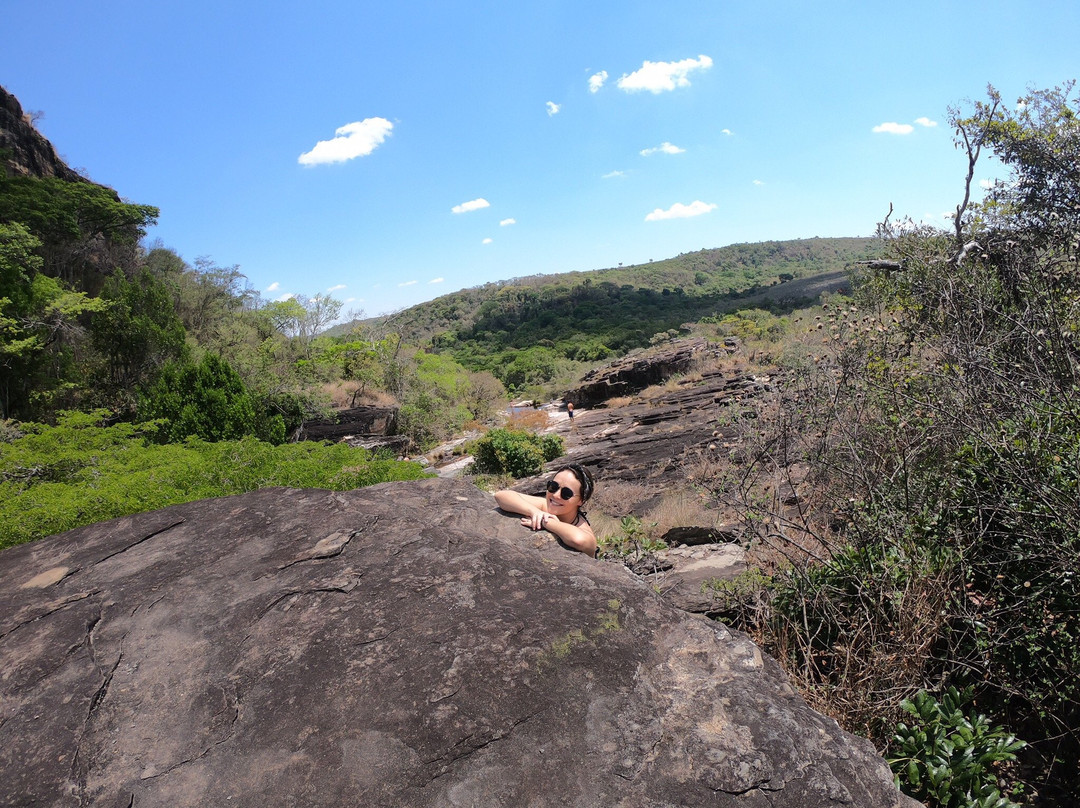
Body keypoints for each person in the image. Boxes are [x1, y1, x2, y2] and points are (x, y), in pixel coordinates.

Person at [494, 463, 596, 558]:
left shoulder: (583, 529)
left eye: (566, 493)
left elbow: (579, 540)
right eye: (553, 486)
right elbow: (502, 496)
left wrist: (546, 522)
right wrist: (534, 512)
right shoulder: (544, 506)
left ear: (581, 501)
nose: (556, 495)